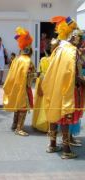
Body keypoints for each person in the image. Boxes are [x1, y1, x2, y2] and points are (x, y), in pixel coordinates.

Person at [42, 16, 84, 159]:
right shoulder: (73, 51)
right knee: (66, 118)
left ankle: (52, 145)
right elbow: (76, 75)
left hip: (55, 88)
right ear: (75, 38)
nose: (81, 42)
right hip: (68, 90)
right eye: (80, 39)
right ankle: (66, 150)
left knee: (55, 116)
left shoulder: (59, 48)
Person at [3, 27, 36, 136]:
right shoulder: (27, 61)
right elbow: (30, 75)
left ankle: (14, 124)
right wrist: (37, 75)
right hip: (23, 87)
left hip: (16, 86)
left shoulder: (17, 59)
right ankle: (19, 128)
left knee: (18, 106)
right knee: (23, 108)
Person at [32, 38, 59, 133]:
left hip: (43, 83)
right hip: (52, 84)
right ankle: (50, 126)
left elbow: (38, 73)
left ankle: (42, 124)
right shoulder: (58, 60)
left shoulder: (44, 60)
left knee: (43, 103)